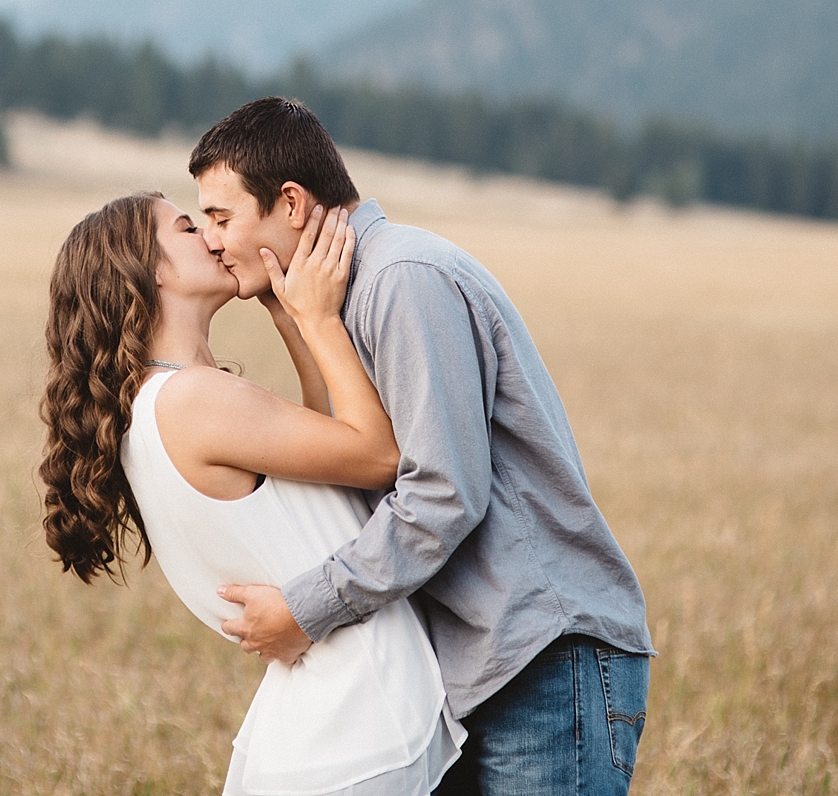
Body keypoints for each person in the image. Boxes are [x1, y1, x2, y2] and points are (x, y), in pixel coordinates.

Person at [190, 97, 653, 796]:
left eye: (222, 218)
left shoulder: (401, 279)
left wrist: (305, 609)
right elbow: (348, 462)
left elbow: (442, 494)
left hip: (541, 660)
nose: (211, 241)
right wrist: (296, 315)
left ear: (290, 203)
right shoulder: (342, 300)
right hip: (482, 670)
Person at [40, 189, 465, 796]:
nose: (214, 237)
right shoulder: (194, 401)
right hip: (361, 730)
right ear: (150, 271)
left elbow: (334, 456)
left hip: (311, 739)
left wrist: (287, 314)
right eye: (189, 228)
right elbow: (379, 455)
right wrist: (319, 318)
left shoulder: (152, 406)